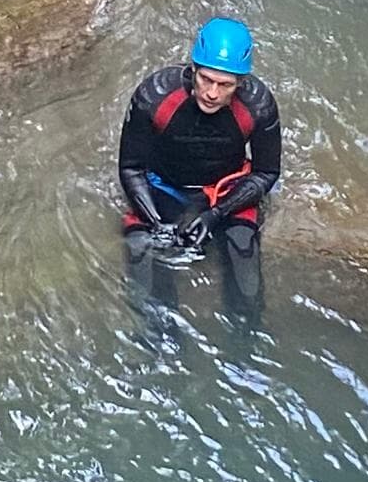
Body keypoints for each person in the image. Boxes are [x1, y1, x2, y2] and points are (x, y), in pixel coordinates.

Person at [118, 16, 282, 316]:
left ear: (241, 83)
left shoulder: (258, 105)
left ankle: (244, 332)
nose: (212, 93)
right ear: (192, 69)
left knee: (247, 286)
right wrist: (155, 221)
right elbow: (131, 168)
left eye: (225, 85)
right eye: (206, 79)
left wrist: (215, 214)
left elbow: (266, 172)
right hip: (162, 185)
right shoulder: (154, 96)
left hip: (225, 189)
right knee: (146, 267)